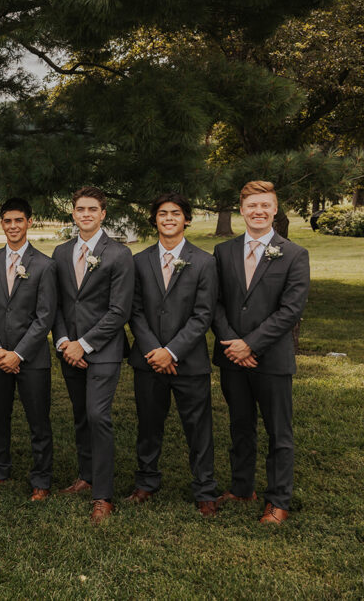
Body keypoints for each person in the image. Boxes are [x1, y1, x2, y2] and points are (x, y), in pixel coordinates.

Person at [212, 181, 310, 525]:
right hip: (232, 358)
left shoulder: (295, 254)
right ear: (241, 210)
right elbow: (216, 303)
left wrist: (250, 344)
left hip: (271, 358)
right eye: (252, 205)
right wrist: (232, 344)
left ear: (274, 210)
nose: (258, 211)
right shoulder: (223, 252)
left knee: (278, 431)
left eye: (265, 206)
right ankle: (241, 488)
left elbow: (290, 310)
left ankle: (278, 500)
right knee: (240, 425)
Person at [126, 192, 219, 517]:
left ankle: (205, 490)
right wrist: (154, 349)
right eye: (162, 213)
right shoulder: (138, 261)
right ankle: (146, 482)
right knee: (148, 425)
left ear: (187, 219)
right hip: (148, 360)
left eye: (175, 213)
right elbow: (134, 311)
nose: (168, 218)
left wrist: (172, 351)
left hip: (189, 362)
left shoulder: (205, 262)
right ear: (155, 219)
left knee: (198, 428)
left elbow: (203, 315)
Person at [51, 186, 134, 524]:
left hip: (103, 350)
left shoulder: (119, 254)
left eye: (92, 209)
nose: (85, 214)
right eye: (80, 209)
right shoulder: (60, 253)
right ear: (73, 213)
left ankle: (103, 495)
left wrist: (83, 344)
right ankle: (85, 476)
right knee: (82, 415)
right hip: (68, 349)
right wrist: (63, 342)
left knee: (99, 416)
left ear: (103, 214)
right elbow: (55, 304)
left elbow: (119, 311)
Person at [0, 198, 57, 500]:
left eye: (18, 220)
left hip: (31, 358)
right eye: (7, 221)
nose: (13, 226)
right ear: (2, 223)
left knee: (38, 420)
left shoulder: (45, 265)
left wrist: (18, 354)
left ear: (29, 222)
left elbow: (45, 317)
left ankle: (41, 479)